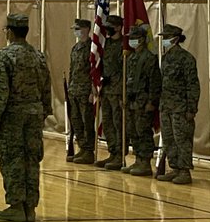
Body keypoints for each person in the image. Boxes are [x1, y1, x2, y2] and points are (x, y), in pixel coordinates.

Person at [0, 14, 52, 222]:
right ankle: (30, 207)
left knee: (13, 159)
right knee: (31, 159)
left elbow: (1, 91)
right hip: (34, 115)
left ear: (9, 31)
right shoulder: (38, 56)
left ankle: (16, 206)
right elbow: (46, 87)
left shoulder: (5, 57)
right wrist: (44, 112)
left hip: (13, 116)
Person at [157, 24, 199, 185]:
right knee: (169, 139)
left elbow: (193, 85)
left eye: (166, 38)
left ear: (175, 38)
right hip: (166, 106)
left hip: (181, 108)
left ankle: (184, 171)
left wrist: (191, 108)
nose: (164, 41)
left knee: (182, 139)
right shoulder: (166, 57)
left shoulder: (186, 58)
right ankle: (174, 168)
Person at [122, 24, 161, 177]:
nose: (131, 41)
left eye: (134, 38)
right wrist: (125, 97)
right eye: (130, 38)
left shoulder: (149, 58)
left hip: (144, 102)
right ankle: (138, 159)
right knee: (132, 130)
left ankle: (145, 162)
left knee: (143, 131)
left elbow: (155, 82)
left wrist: (152, 101)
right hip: (132, 101)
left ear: (143, 40)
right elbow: (128, 80)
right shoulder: (131, 57)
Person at [96, 15, 126, 170]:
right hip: (106, 89)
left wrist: (122, 91)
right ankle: (112, 152)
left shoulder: (123, 45)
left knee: (118, 123)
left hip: (117, 91)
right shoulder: (105, 44)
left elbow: (125, 70)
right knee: (107, 123)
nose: (107, 29)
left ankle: (120, 155)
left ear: (119, 27)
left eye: (111, 26)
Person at [67, 19, 95, 163]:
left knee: (87, 122)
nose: (76, 31)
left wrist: (92, 91)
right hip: (74, 90)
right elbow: (72, 70)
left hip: (85, 91)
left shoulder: (92, 48)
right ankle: (82, 148)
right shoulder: (75, 48)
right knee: (76, 121)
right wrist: (69, 89)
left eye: (78, 29)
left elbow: (93, 71)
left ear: (86, 29)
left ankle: (89, 151)